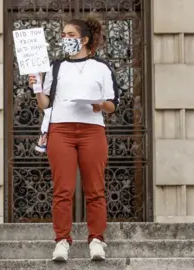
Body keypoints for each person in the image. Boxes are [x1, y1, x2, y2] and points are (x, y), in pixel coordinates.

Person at [28, 16, 119, 262]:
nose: (64, 38)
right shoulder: (56, 67)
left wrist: (100, 104)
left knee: (95, 189)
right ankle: (61, 241)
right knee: (62, 189)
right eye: (63, 35)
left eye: (69, 35)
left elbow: (112, 105)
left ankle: (97, 240)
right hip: (61, 131)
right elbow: (45, 104)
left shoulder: (102, 67)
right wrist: (37, 89)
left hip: (92, 130)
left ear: (84, 39)